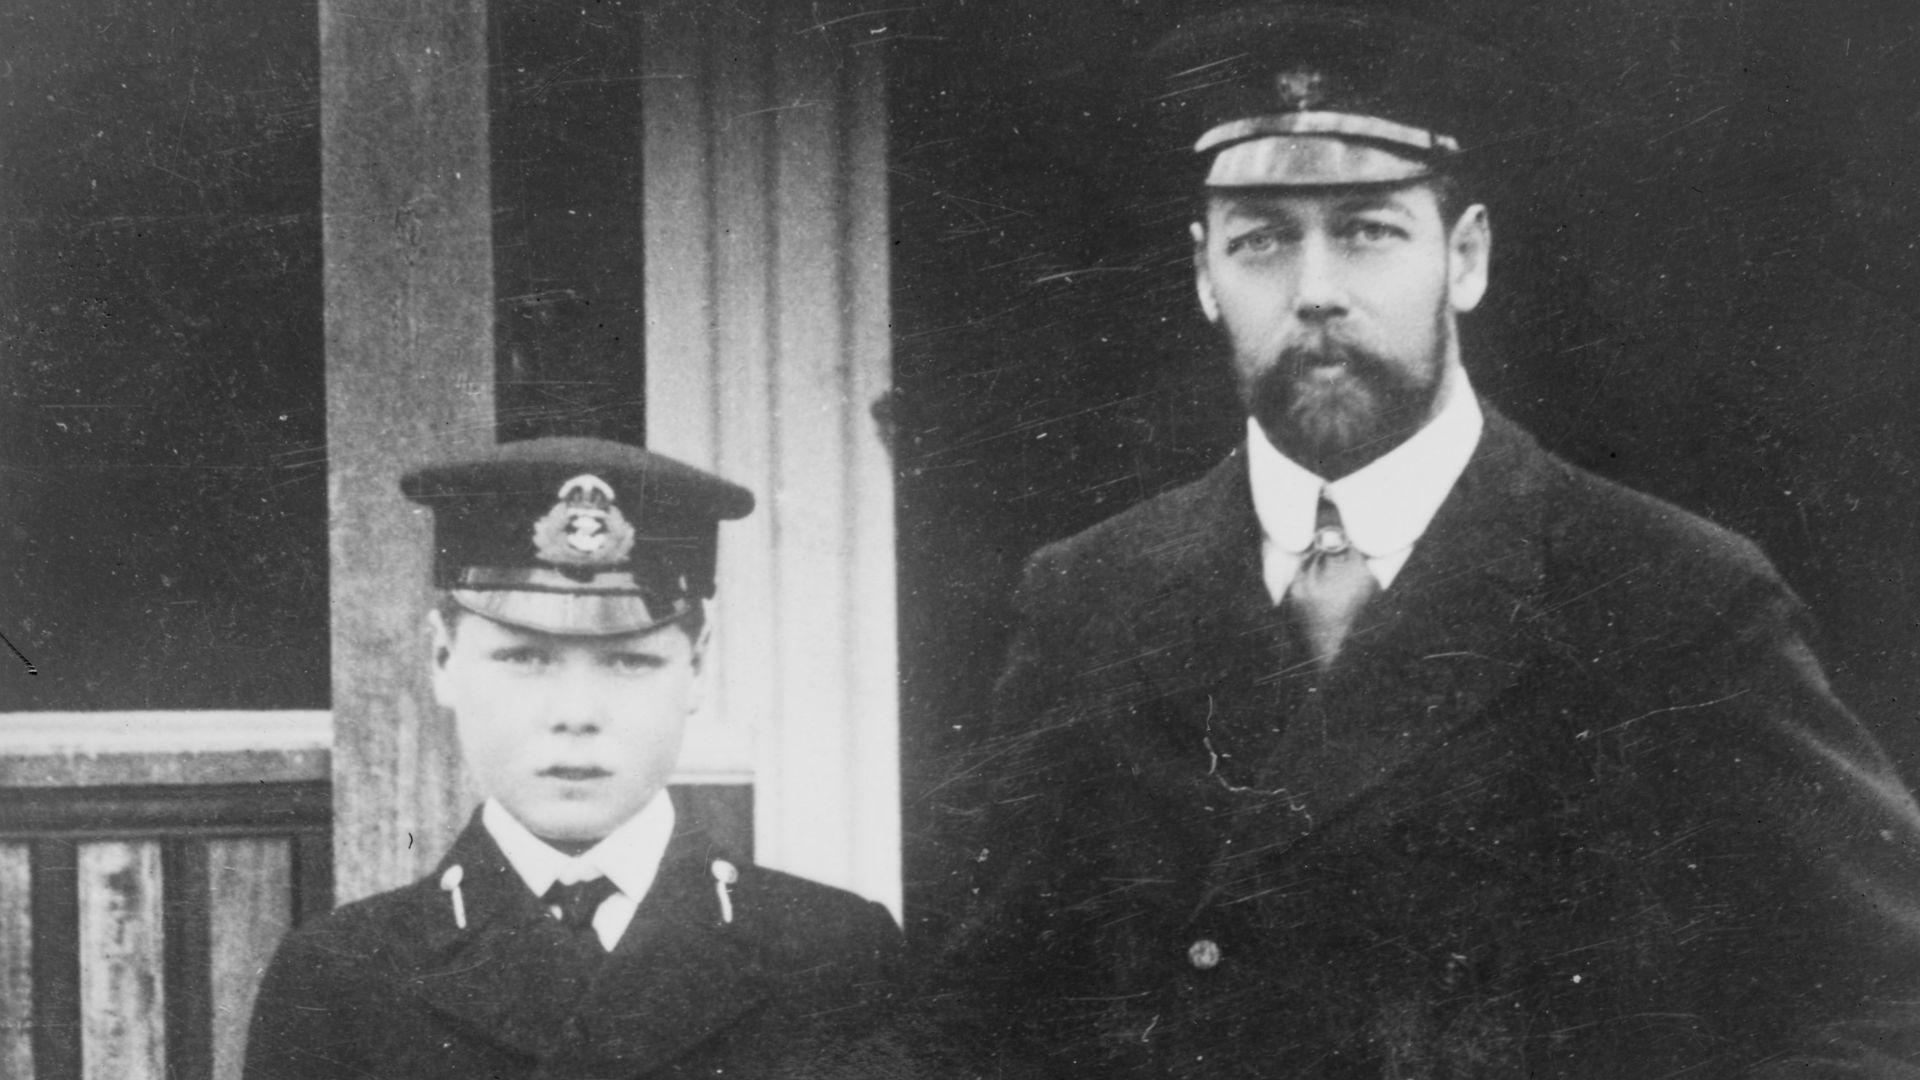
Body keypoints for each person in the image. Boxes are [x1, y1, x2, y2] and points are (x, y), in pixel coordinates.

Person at [938, 6, 1920, 1078]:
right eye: (1261, 239)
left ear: (1465, 257)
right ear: (1205, 275)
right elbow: (988, 1021)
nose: (1316, 292)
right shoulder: (1088, 599)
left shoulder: (1673, 598)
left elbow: (1894, 997)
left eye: (1367, 230)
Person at [244, 436, 909, 1080]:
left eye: (628, 661)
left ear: (698, 665)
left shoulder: (834, 956)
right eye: (524, 657)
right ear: (443, 659)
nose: (576, 712)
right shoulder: (343, 976)